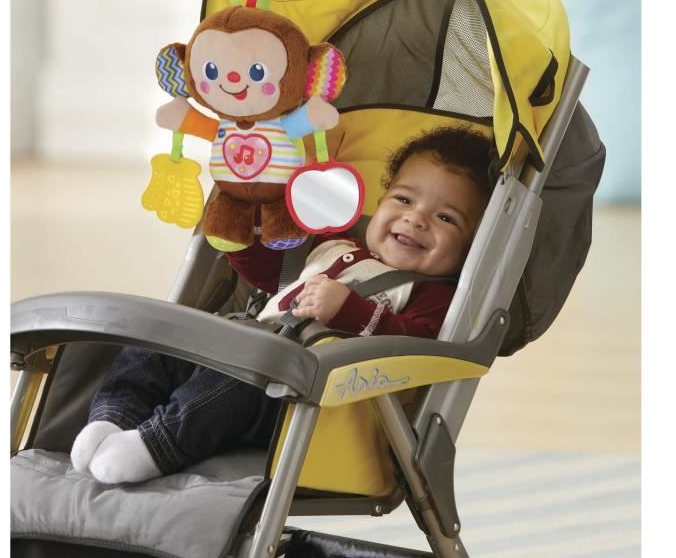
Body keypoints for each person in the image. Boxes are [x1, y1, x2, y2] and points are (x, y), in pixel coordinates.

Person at [71, 126, 492, 484]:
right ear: (380, 202)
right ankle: (113, 418)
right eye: (403, 199)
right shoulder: (337, 246)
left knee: (233, 386)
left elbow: (414, 342)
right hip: (248, 345)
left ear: (471, 245)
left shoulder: (433, 295)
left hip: (293, 398)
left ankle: (156, 445)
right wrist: (245, 239)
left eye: (446, 218)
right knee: (159, 337)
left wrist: (349, 311)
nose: (416, 218)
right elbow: (274, 277)